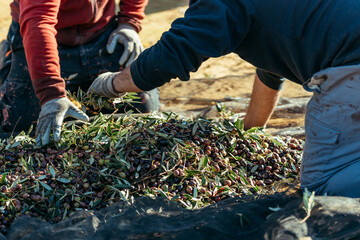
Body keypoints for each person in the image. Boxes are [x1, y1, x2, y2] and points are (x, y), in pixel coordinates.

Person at [88, 0, 360, 197]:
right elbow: (271, 69)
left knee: (323, 188)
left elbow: (175, 51)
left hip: (352, 62)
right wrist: (251, 134)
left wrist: (113, 84)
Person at [0, 0, 160, 144]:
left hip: (102, 33)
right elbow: (39, 21)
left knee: (143, 110)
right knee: (22, 129)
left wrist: (129, 21)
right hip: (41, 37)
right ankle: (10, 60)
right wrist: (50, 94)